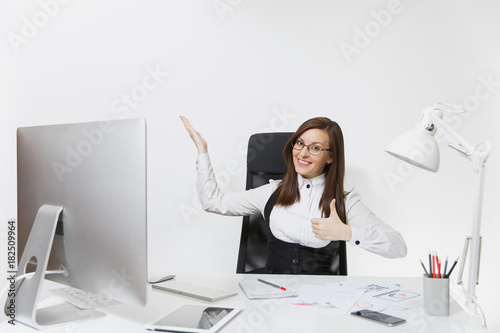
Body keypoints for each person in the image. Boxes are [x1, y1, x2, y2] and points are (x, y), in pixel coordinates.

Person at [180, 115, 407, 275]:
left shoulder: (343, 203)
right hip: (268, 300)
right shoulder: (272, 192)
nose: (303, 153)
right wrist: (202, 151)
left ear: (330, 157)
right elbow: (213, 202)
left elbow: (398, 247)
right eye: (300, 143)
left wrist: (348, 232)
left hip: (321, 305)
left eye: (315, 148)